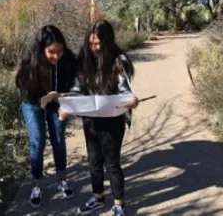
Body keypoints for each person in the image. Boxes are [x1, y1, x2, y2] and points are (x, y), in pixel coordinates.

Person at [69, 20, 139, 216]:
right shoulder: (84, 59)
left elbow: (125, 90)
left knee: (112, 162)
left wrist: (131, 101)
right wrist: (69, 103)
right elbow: (77, 88)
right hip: (90, 119)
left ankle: (118, 204)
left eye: (97, 44)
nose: (93, 48)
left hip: (113, 119)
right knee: (94, 161)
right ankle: (98, 198)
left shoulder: (119, 60)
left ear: (107, 42)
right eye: (90, 43)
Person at [15, 25, 76, 208]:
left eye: (60, 51)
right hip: (33, 104)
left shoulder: (69, 60)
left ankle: (61, 180)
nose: (56, 56)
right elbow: (24, 90)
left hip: (57, 104)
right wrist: (42, 96)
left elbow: (75, 84)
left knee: (58, 140)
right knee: (38, 141)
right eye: (51, 52)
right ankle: (37, 184)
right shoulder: (29, 63)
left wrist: (65, 99)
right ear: (41, 49)